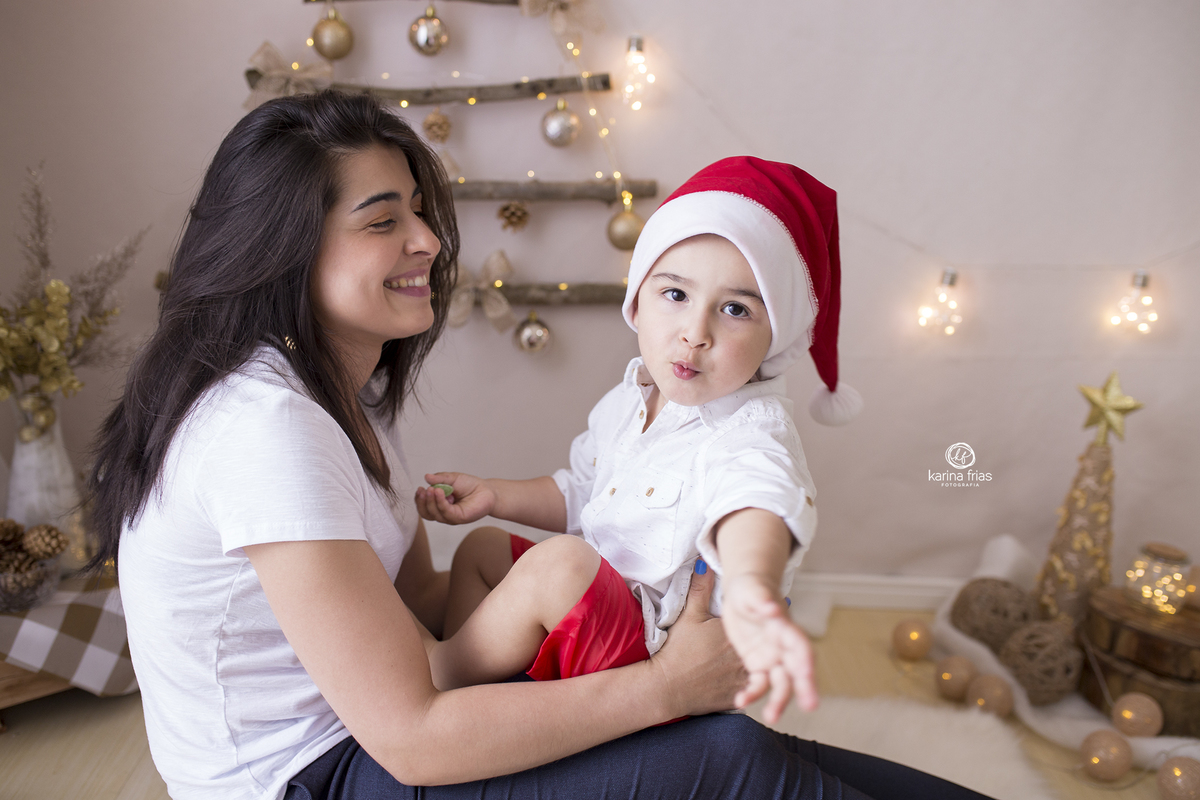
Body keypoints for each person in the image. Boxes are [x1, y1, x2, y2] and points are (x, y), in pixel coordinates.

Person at [87, 91, 993, 800]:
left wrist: (531, 577)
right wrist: (665, 687)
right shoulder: (264, 428)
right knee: (721, 758)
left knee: (740, 749)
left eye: (418, 211)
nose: (428, 241)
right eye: (382, 221)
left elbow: (421, 614)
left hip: (370, 731)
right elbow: (406, 733)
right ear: (282, 250)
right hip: (313, 778)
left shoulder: (332, 399)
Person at [415, 158, 861, 723]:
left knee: (561, 566)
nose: (695, 333)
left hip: (655, 655)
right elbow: (582, 493)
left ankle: (439, 675)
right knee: (482, 549)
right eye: (675, 295)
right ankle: (486, 688)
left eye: (734, 310)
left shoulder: (751, 430)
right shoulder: (630, 400)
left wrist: (752, 583)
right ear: (638, 297)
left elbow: (757, 503)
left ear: (777, 336)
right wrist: (495, 495)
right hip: (598, 614)